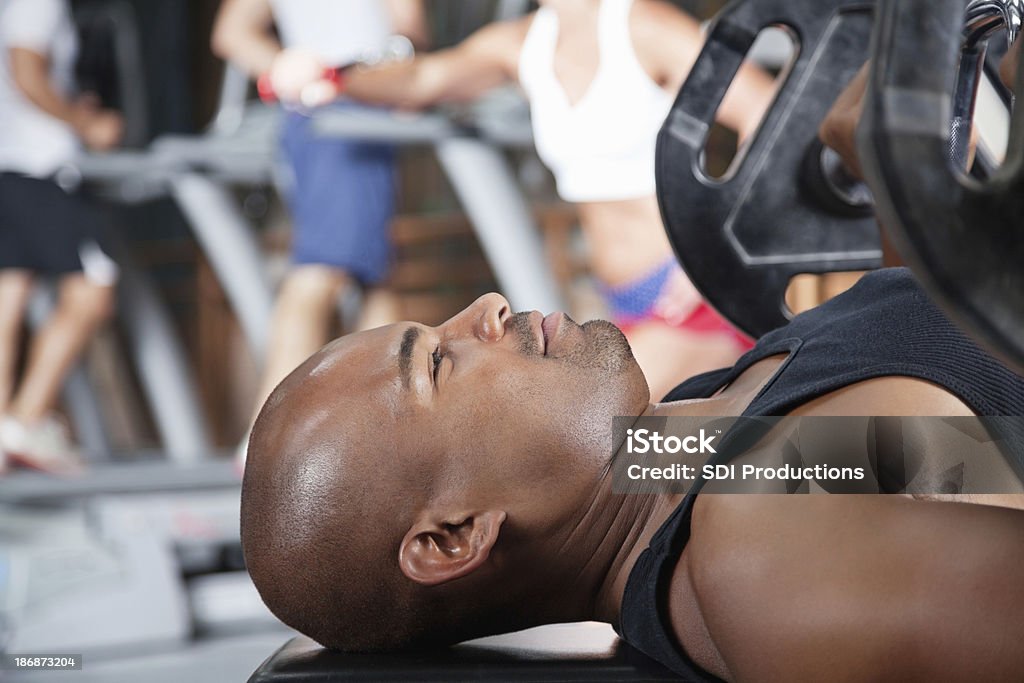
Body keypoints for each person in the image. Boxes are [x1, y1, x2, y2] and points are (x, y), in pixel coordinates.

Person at [240, 32, 1024, 681]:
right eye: (439, 363)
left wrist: (898, 174)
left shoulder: (669, 456)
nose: (487, 308)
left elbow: (960, 432)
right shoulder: (767, 562)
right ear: (454, 536)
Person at [330, 0, 777, 399]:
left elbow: (766, 111)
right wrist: (330, 76)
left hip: (694, 289)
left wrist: (716, 244)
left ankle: (821, 465)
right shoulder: (522, 42)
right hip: (623, 300)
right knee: (633, 462)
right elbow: (420, 78)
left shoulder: (643, 24)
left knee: (604, 435)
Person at [210, 0, 429, 457]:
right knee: (320, 271)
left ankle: (391, 438)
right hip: (336, 110)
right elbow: (231, 32)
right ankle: (265, 443)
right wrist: (288, 66)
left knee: (376, 275)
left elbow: (409, 35)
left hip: (365, 105)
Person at [0, 0, 123, 474]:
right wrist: (85, 123)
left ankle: (11, 425)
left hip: (13, 163)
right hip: (42, 166)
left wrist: (73, 106)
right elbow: (25, 71)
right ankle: (25, 420)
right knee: (93, 292)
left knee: (10, 293)